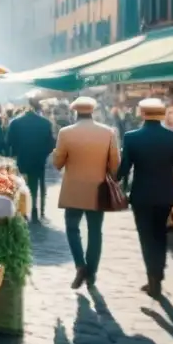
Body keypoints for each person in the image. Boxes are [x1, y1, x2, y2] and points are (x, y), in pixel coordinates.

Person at [117, 98, 173, 299]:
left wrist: (111, 177)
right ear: (162, 114)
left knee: (146, 237)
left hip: (142, 195)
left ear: (141, 114)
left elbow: (124, 169)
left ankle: (153, 279)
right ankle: (158, 274)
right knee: (160, 234)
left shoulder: (131, 137)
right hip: (166, 193)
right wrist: (168, 176)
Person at [53, 96, 120, 290]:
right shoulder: (108, 132)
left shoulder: (65, 133)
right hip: (98, 189)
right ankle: (91, 274)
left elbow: (57, 163)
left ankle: (80, 265)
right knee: (95, 231)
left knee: (72, 228)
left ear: (75, 112)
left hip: (73, 189)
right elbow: (115, 164)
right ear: (93, 112)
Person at [6, 97, 57, 223]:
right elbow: (51, 144)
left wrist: (14, 153)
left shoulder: (15, 122)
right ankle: (37, 210)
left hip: (22, 158)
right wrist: (44, 153)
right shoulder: (45, 123)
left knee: (22, 184)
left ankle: (23, 210)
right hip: (38, 159)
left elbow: (9, 142)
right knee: (38, 184)